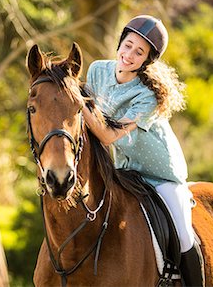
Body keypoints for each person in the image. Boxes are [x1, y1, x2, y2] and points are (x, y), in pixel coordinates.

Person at [82, 15, 205, 287]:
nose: (129, 55)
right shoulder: (97, 71)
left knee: (184, 235)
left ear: (147, 61)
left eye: (139, 52)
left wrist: (76, 102)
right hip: (125, 169)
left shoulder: (147, 94)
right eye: (127, 45)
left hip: (161, 173)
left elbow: (107, 134)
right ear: (120, 42)